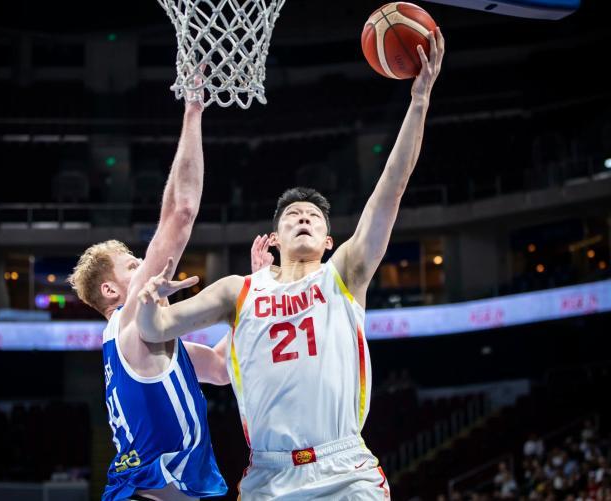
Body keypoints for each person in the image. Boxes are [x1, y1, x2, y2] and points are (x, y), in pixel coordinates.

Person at [135, 28, 445, 499]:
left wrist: (418, 102)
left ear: (328, 240)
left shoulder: (344, 273)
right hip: (269, 475)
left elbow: (391, 187)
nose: (303, 217)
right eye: (292, 216)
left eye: (314, 216)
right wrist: (147, 301)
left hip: (345, 469)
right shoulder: (238, 290)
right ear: (275, 239)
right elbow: (155, 329)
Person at [68, 79, 229, 500]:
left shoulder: (143, 342)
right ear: (110, 290)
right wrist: (193, 111)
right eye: (132, 265)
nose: (144, 266)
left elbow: (220, 368)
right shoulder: (129, 323)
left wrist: (251, 295)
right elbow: (181, 213)